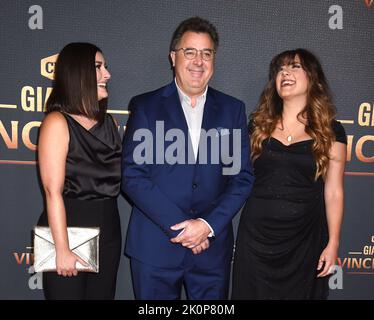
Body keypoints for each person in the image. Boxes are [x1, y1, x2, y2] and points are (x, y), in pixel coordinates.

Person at [122, 17, 254, 300]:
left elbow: (241, 178)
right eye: (189, 52)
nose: (198, 61)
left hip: (211, 251)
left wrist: (206, 226)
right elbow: (133, 177)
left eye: (206, 53)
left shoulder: (232, 110)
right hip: (155, 249)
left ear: (213, 60)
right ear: (173, 57)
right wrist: (185, 230)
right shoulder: (145, 106)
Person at [232, 48, 347, 300]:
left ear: (313, 78)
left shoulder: (331, 131)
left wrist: (334, 242)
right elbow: (236, 179)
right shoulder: (257, 125)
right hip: (256, 238)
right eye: (281, 69)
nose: (285, 72)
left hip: (305, 239)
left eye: (295, 66)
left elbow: (334, 191)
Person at [36, 42, 122, 300]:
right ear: (78, 73)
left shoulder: (110, 123)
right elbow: (53, 193)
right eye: (98, 67)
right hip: (67, 231)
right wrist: (62, 248)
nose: (107, 74)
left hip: (109, 230)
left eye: (105, 67)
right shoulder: (56, 122)